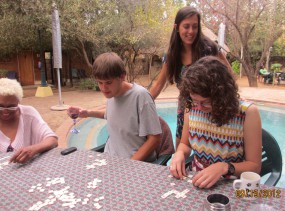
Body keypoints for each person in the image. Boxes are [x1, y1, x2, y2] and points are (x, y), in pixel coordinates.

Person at [169, 56, 262, 189]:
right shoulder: (190, 105)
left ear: (222, 96)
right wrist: (179, 154)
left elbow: (254, 166)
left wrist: (224, 167)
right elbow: (185, 143)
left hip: (231, 185)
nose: (199, 107)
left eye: (206, 102)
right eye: (196, 101)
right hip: (196, 180)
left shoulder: (248, 113)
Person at [149, 6, 231, 148]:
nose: (191, 31)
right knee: (181, 150)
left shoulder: (210, 49)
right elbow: (157, 86)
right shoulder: (171, 55)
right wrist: (139, 105)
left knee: (211, 149)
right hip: (185, 109)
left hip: (210, 107)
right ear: (176, 27)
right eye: (186, 27)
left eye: (195, 27)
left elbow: (228, 74)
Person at [68, 52, 163, 162]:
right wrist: (87, 113)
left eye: (108, 82)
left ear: (122, 76)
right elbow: (113, 113)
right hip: (110, 159)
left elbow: (155, 138)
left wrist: (130, 163)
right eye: (100, 83)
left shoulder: (141, 96)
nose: (104, 88)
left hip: (135, 164)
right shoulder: (112, 93)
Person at [0, 78, 58, 163]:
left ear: (18, 103)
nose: (5, 111)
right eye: (0, 106)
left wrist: (34, 149)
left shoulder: (28, 114)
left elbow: (52, 140)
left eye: (11, 106)